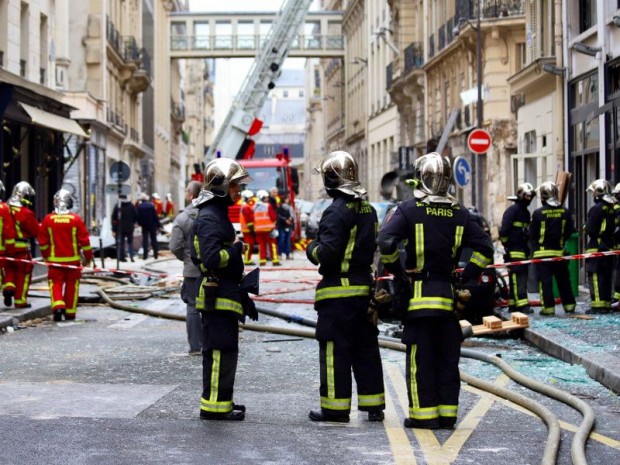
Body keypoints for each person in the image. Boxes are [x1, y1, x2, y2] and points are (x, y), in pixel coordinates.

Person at [377, 153, 493, 430]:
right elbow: (485, 249)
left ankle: (423, 416)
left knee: (421, 360)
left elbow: (386, 241)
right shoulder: (460, 212)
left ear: (421, 178)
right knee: (447, 359)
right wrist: (468, 277)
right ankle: (448, 415)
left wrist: (398, 272)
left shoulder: (409, 209)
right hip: (448, 300)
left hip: (418, 299)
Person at [306, 150, 385, 423]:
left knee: (334, 350)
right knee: (365, 349)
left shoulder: (335, 211)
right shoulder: (368, 209)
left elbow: (327, 254)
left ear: (330, 179)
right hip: (364, 290)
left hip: (337, 294)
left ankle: (335, 409)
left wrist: (311, 248)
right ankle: (374, 405)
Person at [191, 158, 257, 421]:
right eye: (233, 187)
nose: (238, 192)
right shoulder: (209, 218)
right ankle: (215, 407)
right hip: (216, 296)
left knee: (226, 351)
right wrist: (236, 249)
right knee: (219, 351)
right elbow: (211, 259)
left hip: (225, 294)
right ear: (219, 187)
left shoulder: (216, 214)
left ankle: (222, 400)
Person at [38, 189, 93, 321]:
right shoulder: (76, 220)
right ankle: (70, 312)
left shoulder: (48, 220)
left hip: (55, 261)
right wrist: (88, 258)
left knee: (55, 284)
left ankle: (58, 306)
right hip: (73, 262)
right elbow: (85, 242)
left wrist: (45, 256)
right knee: (72, 286)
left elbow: (43, 242)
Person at [529, 181, 576, 316]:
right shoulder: (565, 212)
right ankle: (569, 306)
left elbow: (532, 234)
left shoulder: (538, 213)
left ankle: (548, 309)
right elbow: (569, 232)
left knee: (545, 282)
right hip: (559, 253)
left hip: (542, 254)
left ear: (544, 196)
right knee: (564, 281)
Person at [170, 180, 204, 355]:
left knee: (192, 307)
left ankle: (196, 346)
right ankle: (211, 343)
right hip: (212, 269)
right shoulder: (211, 214)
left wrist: (186, 258)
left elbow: (175, 246)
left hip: (191, 271)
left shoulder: (182, 218)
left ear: (191, 195)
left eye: (185, 192)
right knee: (211, 307)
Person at [498, 183, 535, 314]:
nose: (529, 199)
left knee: (519, 278)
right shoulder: (512, 211)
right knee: (518, 279)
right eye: (527, 196)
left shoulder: (525, 212)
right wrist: (508, 246)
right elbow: (503, 232)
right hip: (514, 250)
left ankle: (513, 304)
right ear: (520, 195)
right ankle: (522, 306)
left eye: (531, 196)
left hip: (523, 250)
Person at [2, 181, 38, 309]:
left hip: (6, 247)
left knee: (9, 270)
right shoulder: (25, 213)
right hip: (22, 248)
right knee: (24, 273)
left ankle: (8, 287)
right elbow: (35, 231)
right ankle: (20, 300)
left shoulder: (4, 208)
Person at [584, 179, 616, 314]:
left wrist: (585, 227)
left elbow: (590, 229)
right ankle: (606, 303)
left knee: (595, 276)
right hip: (609, 247)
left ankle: (598, 306)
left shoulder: (596, 209)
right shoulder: (612, 208)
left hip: (596, 247)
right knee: (606, 277)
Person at [254, 189, 280, 266]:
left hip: (258, 230)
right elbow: (274, 217)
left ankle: (262, 260)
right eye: (265, 197)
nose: (267, 199)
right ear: (262, 198)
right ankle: (275, 260)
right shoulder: (268, 206)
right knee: (272, 245)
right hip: (269, 229)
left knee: (261, 245)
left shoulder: (254, 206)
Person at [0, 181, 16, 300]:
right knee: (7, 270)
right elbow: (8, 231)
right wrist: (11, 249)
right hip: (2, 250)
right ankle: (8, 287)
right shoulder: (4, 209)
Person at [111, 194, 138, 262]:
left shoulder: (118, 206)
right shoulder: (131, 206)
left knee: (121, 243)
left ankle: (122, 257)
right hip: (129, 227)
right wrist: (132, 222)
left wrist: (114, 229)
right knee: (130, 242)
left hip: (120, 228)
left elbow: (114, 218)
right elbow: (136, 216)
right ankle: (131, 256)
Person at [137, 193, 162, 260]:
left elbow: (138, 217)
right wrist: (158, 224)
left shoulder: (140, 206)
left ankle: (145, 255)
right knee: (153, 239)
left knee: (145, 240)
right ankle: (155, 254)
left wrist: (140, 223)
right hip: (152, 225)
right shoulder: (151, 205)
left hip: (144, 226)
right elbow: (155, 216)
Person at [239, 190, 257, 265]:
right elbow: (249, 220)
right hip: (248, 230)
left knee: (249, 244)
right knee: (249, 245)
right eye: (249, 198)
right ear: (245, 198)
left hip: (247, 229)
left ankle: (248, 259)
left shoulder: (245, 206)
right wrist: (252, 230)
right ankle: (247, 260)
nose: (251, 199)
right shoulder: (246, 207)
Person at [277, 195, 295, 260]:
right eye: (286, 199)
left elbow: (293, 217)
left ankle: (288, 254)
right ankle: (279, 254)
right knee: (281, 240)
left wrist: (291, 220)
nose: (287, 200)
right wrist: (285, 220)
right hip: (282, 226)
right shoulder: (280, 207)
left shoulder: (290, 207)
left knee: (288, 241)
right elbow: (279, 216)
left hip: (289, 226)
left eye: (288, 199)